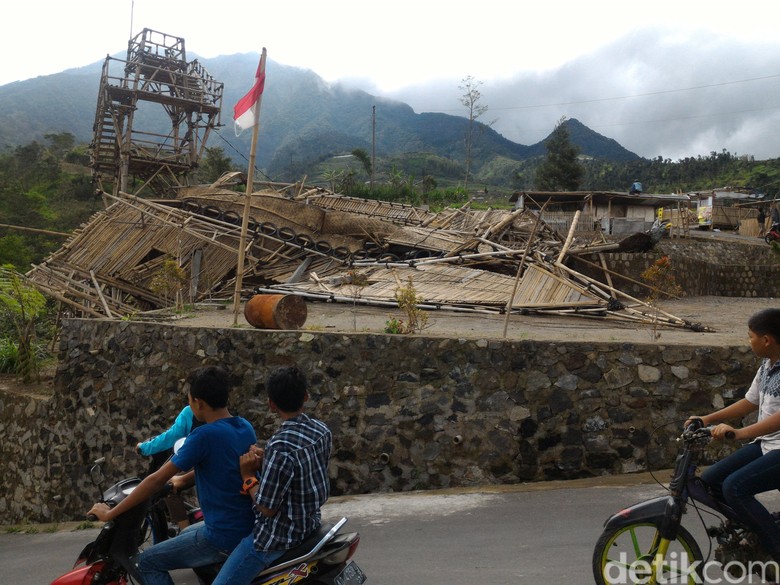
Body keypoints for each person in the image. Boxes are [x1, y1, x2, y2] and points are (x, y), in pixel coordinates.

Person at [88, 365, 257, 585]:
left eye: (189, 400)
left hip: (222, 534)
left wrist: (110, 513)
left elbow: (156, 479)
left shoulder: (203, 435)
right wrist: (182, 480)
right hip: (244, 524)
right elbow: (223, 466)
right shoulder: (244, 426)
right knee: (183, 536)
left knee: (146, 561)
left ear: (199, 402)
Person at [212, 365, 332, 585]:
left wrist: (248, 475)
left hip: (276, 538)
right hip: (310, 523)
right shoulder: (321, 431)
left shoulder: (280, 446)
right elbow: (301, 469)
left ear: (271, 404)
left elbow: (267, 508)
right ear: (305, 396)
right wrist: (267, 458)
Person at [686, 308, 780, 563]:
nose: (748, 341)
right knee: (709, 481)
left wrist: (739, 433)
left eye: (750, 336)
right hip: (767, 445)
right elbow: (750, 401)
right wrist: (707, 419)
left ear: (766, 340)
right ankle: (755, 531)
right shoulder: (767, 366)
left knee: (735, 486)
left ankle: (775, 550)